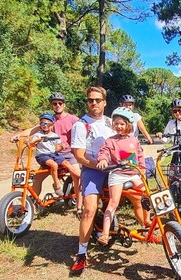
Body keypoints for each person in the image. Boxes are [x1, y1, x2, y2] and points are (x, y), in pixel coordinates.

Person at [11, 92, 83, 216]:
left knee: (77, 176)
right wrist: (18, 135)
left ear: (64, 104)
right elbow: (32, 130)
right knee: (38, 178)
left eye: (60, 103)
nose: (57, 105)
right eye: (54, 103)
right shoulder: (48, 120)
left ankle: (80, 206)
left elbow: (84, 128)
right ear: (52, 105)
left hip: (68, 154)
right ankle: (31, 205)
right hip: (50, 154)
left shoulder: (73, 119)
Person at [70, 86, 115, 274]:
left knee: (137, 195)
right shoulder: (81, 125)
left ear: (105, 102)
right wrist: (99, 165)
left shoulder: (111, 122)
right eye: (90, 100)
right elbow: (79, 156)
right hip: (92, 169)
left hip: (113, 168)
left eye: (97, 100)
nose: (93, 103)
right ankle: (81, 254)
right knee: (89, 209)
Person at [96, 107, 149, 245]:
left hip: (134, 174)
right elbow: (104, 152)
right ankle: (105, 233)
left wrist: (142, 171)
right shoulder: (110, 141)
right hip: (117, 175)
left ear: (128, 125)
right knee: (113, 203)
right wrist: (102, 159)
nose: (119, 126)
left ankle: (147, 222)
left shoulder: (134, 140)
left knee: (145, 197)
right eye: (116, 123)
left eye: (122, 124)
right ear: (113, 124)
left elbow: (140, 156)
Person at [32, 113, 74, 196]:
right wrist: (32, 143)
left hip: (53, 154)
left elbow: (55, 149)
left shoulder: (55, 136)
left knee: (67, 164)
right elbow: (32, 144)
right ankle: (57, 185)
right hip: (42, 155)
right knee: (54, 165)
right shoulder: (38, 135)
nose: (44, 126)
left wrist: (61, 147)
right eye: (42, 123)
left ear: (51, 125)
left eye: (47, 124)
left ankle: (80, 177)